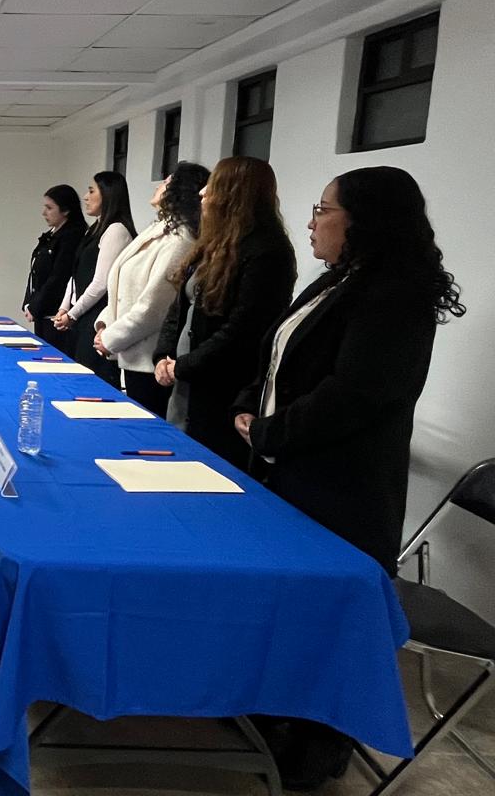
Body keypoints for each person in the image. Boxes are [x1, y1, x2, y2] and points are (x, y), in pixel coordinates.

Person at [233, 167, 464, 789]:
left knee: (325, 623)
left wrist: (269, 433)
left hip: (341, 489)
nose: (311, 221)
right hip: (290, 475)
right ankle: (270, 717)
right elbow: (282, 357)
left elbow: (353, 395)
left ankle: (318, 746)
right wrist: (249, 403)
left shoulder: (395, 295)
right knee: (288, 610)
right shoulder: (338, 278)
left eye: (323, 209)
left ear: (366, 220)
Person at [152, 157, 296, 470]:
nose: (202, 193)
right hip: (187, 382)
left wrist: (184, 366)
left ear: (234, 194)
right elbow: (179, 308)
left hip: (221, 389)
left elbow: (242, 330)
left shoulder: (267, 252)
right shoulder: (213, 244)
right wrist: (163, 355)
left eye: (212, 186)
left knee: (210, 469)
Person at [92, 161, 210, 416]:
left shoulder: (181, 239)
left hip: (149, 360)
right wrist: (104, 326)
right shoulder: (159, 229)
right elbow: (120, 286)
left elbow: (153, 307)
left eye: (167, 181)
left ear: (179, 191)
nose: (159, 185)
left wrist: (110, 338)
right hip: (130, 351)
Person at [51, 172, 135, 380]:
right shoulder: (95, 229)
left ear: (108, 194)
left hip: (97, 317)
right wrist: (64, 307)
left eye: (91, 191)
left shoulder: (116, 230)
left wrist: (72, 314)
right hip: (82, 316)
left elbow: (100, 283)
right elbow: (76, 273)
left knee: (93, 379)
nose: (85, 197)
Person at [22, 184, 86, 347]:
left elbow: (59, 277)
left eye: (49, 208)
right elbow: (36, 272)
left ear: (66, 210)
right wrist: (29, 303)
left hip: (56, 314)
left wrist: (36, 306)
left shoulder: (72, 237)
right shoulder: (52, 235)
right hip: (42, 312)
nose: (44, 213)